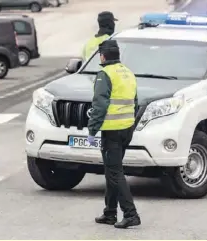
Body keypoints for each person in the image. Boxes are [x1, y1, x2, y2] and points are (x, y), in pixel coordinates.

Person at [87, 40, 141, 229]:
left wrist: (92, 129)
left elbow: (99, 104)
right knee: (112, 170)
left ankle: (131, 214)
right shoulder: (128, 73)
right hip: (126, 129)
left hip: (112, 131)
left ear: (102, 56)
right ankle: (110, 213)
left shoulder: (105, 74)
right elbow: (135, 102)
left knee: (115, 172)